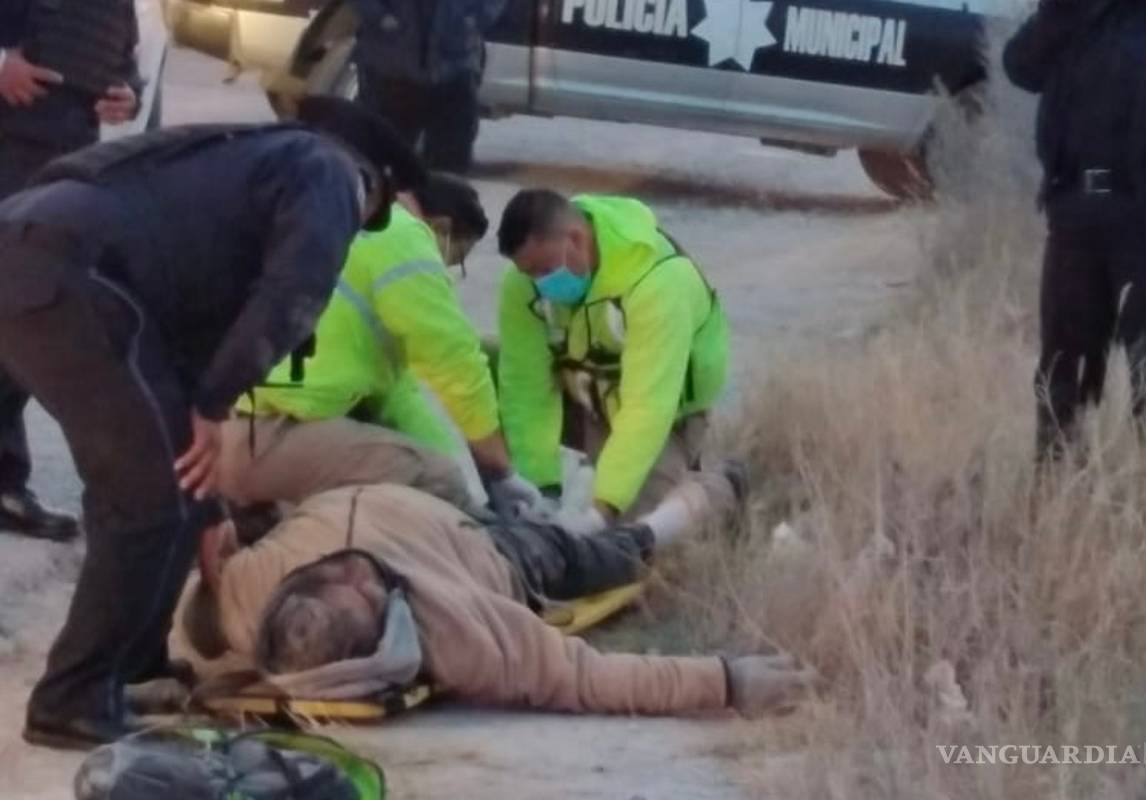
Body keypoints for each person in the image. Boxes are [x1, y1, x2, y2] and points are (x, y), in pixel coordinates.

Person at [0, 96, 426, 750]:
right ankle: (71, 700)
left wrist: (210, 504)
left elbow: (184, 350)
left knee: (175, 479)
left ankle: (133, 667)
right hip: (74, 273)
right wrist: (217, 404)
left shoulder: (237, 162)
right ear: (378, 185)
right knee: (145, 500)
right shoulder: (330, 172)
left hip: (35, 248)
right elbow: (293, 295)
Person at [180, 470, 808, 718]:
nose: (351, 571)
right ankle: (700, 501)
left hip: (415, 492)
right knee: (601, 554)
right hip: (493, 550)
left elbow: (180, 606)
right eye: (364, 594)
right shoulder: (462, 635)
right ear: (383, 639)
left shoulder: (243, 599)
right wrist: (726, 681)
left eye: (327, 577)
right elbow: (588, 677)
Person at [218, 173, 544, 518]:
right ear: (441, 228)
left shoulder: (335, 226)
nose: (445, 270)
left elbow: (399, 397)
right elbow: (455, 362)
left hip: (229, 424)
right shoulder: (400, 234)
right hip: (268, 433)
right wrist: (498, 473)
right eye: (454, 259)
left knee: (415, 463)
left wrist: (458, 474)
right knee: (436, 483)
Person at [1004, 0, 1146, 457]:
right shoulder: (1082, 11)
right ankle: (1056, 484)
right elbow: (1021, 67)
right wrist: (1059, 12)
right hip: (1076, 213)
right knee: (1062, 373)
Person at [496, 190, 729, 535]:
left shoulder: (657, 282)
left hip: (664, 413)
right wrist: (540, 489)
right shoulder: (525, 283)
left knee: (634, 530)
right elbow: (524, 389)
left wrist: (602, 510)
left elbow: (646, 408)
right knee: (484, 374)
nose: (540, 284)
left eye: (545, 270)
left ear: (577, 239)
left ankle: (723, 487)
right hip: (590, 398)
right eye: (529, 273)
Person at [0, 0, 142, 540]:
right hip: (9, 145)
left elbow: (120, 52)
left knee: (26, 318)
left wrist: (127, 93)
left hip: (66, 162)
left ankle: (4, 480)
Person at [349, 0, 509, 173]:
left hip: (454, 62)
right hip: (390, 65)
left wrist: (476, 18)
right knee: (384, 161)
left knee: (451, 163)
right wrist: (379, 16)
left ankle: (442, 185)